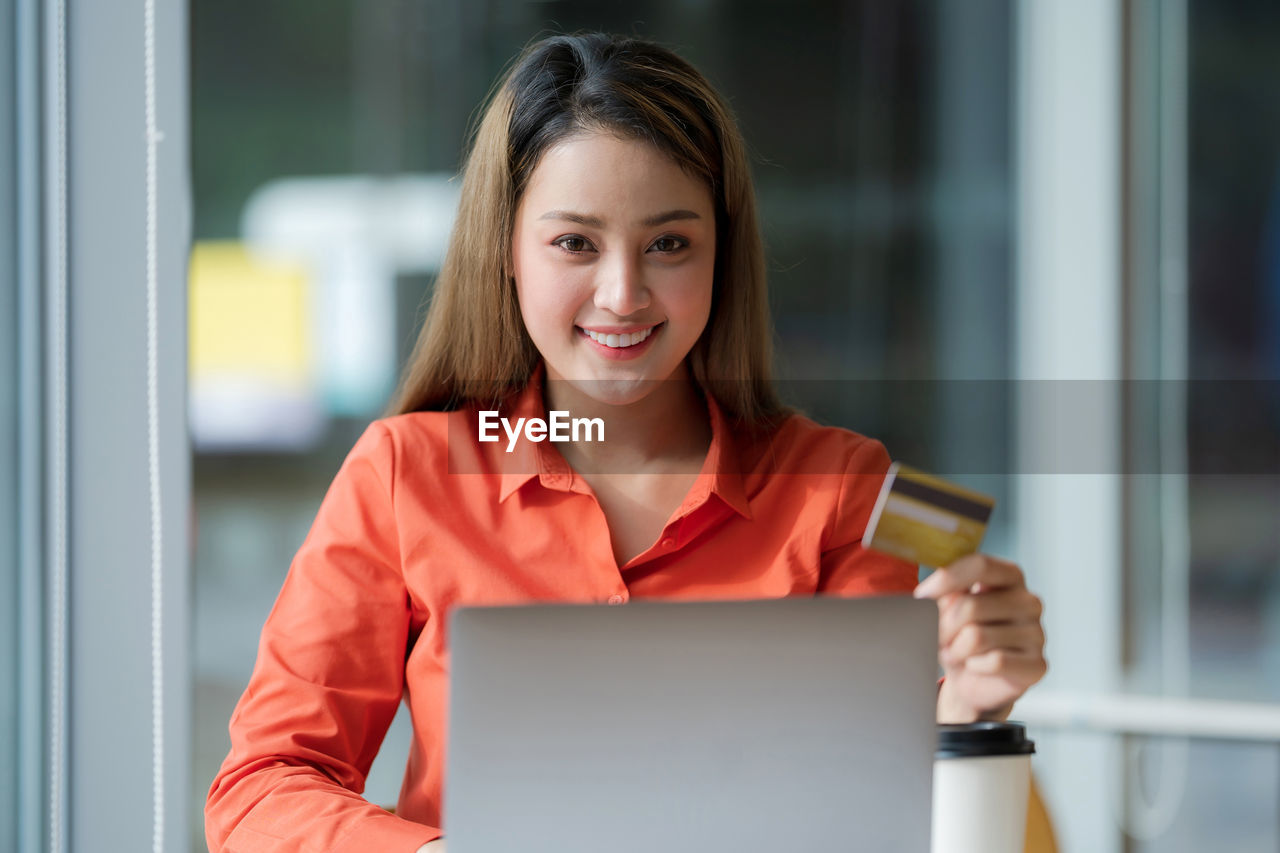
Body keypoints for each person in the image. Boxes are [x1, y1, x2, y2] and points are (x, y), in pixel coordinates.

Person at [205, 32, 1047, 853]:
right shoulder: (405, 472)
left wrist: (970, 709)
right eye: (575, 242)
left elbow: (891, 801)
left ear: (722, 253)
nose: (622, 293)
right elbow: (260, 789)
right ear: (505, 250)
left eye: (669, 244)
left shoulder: (846, 486)